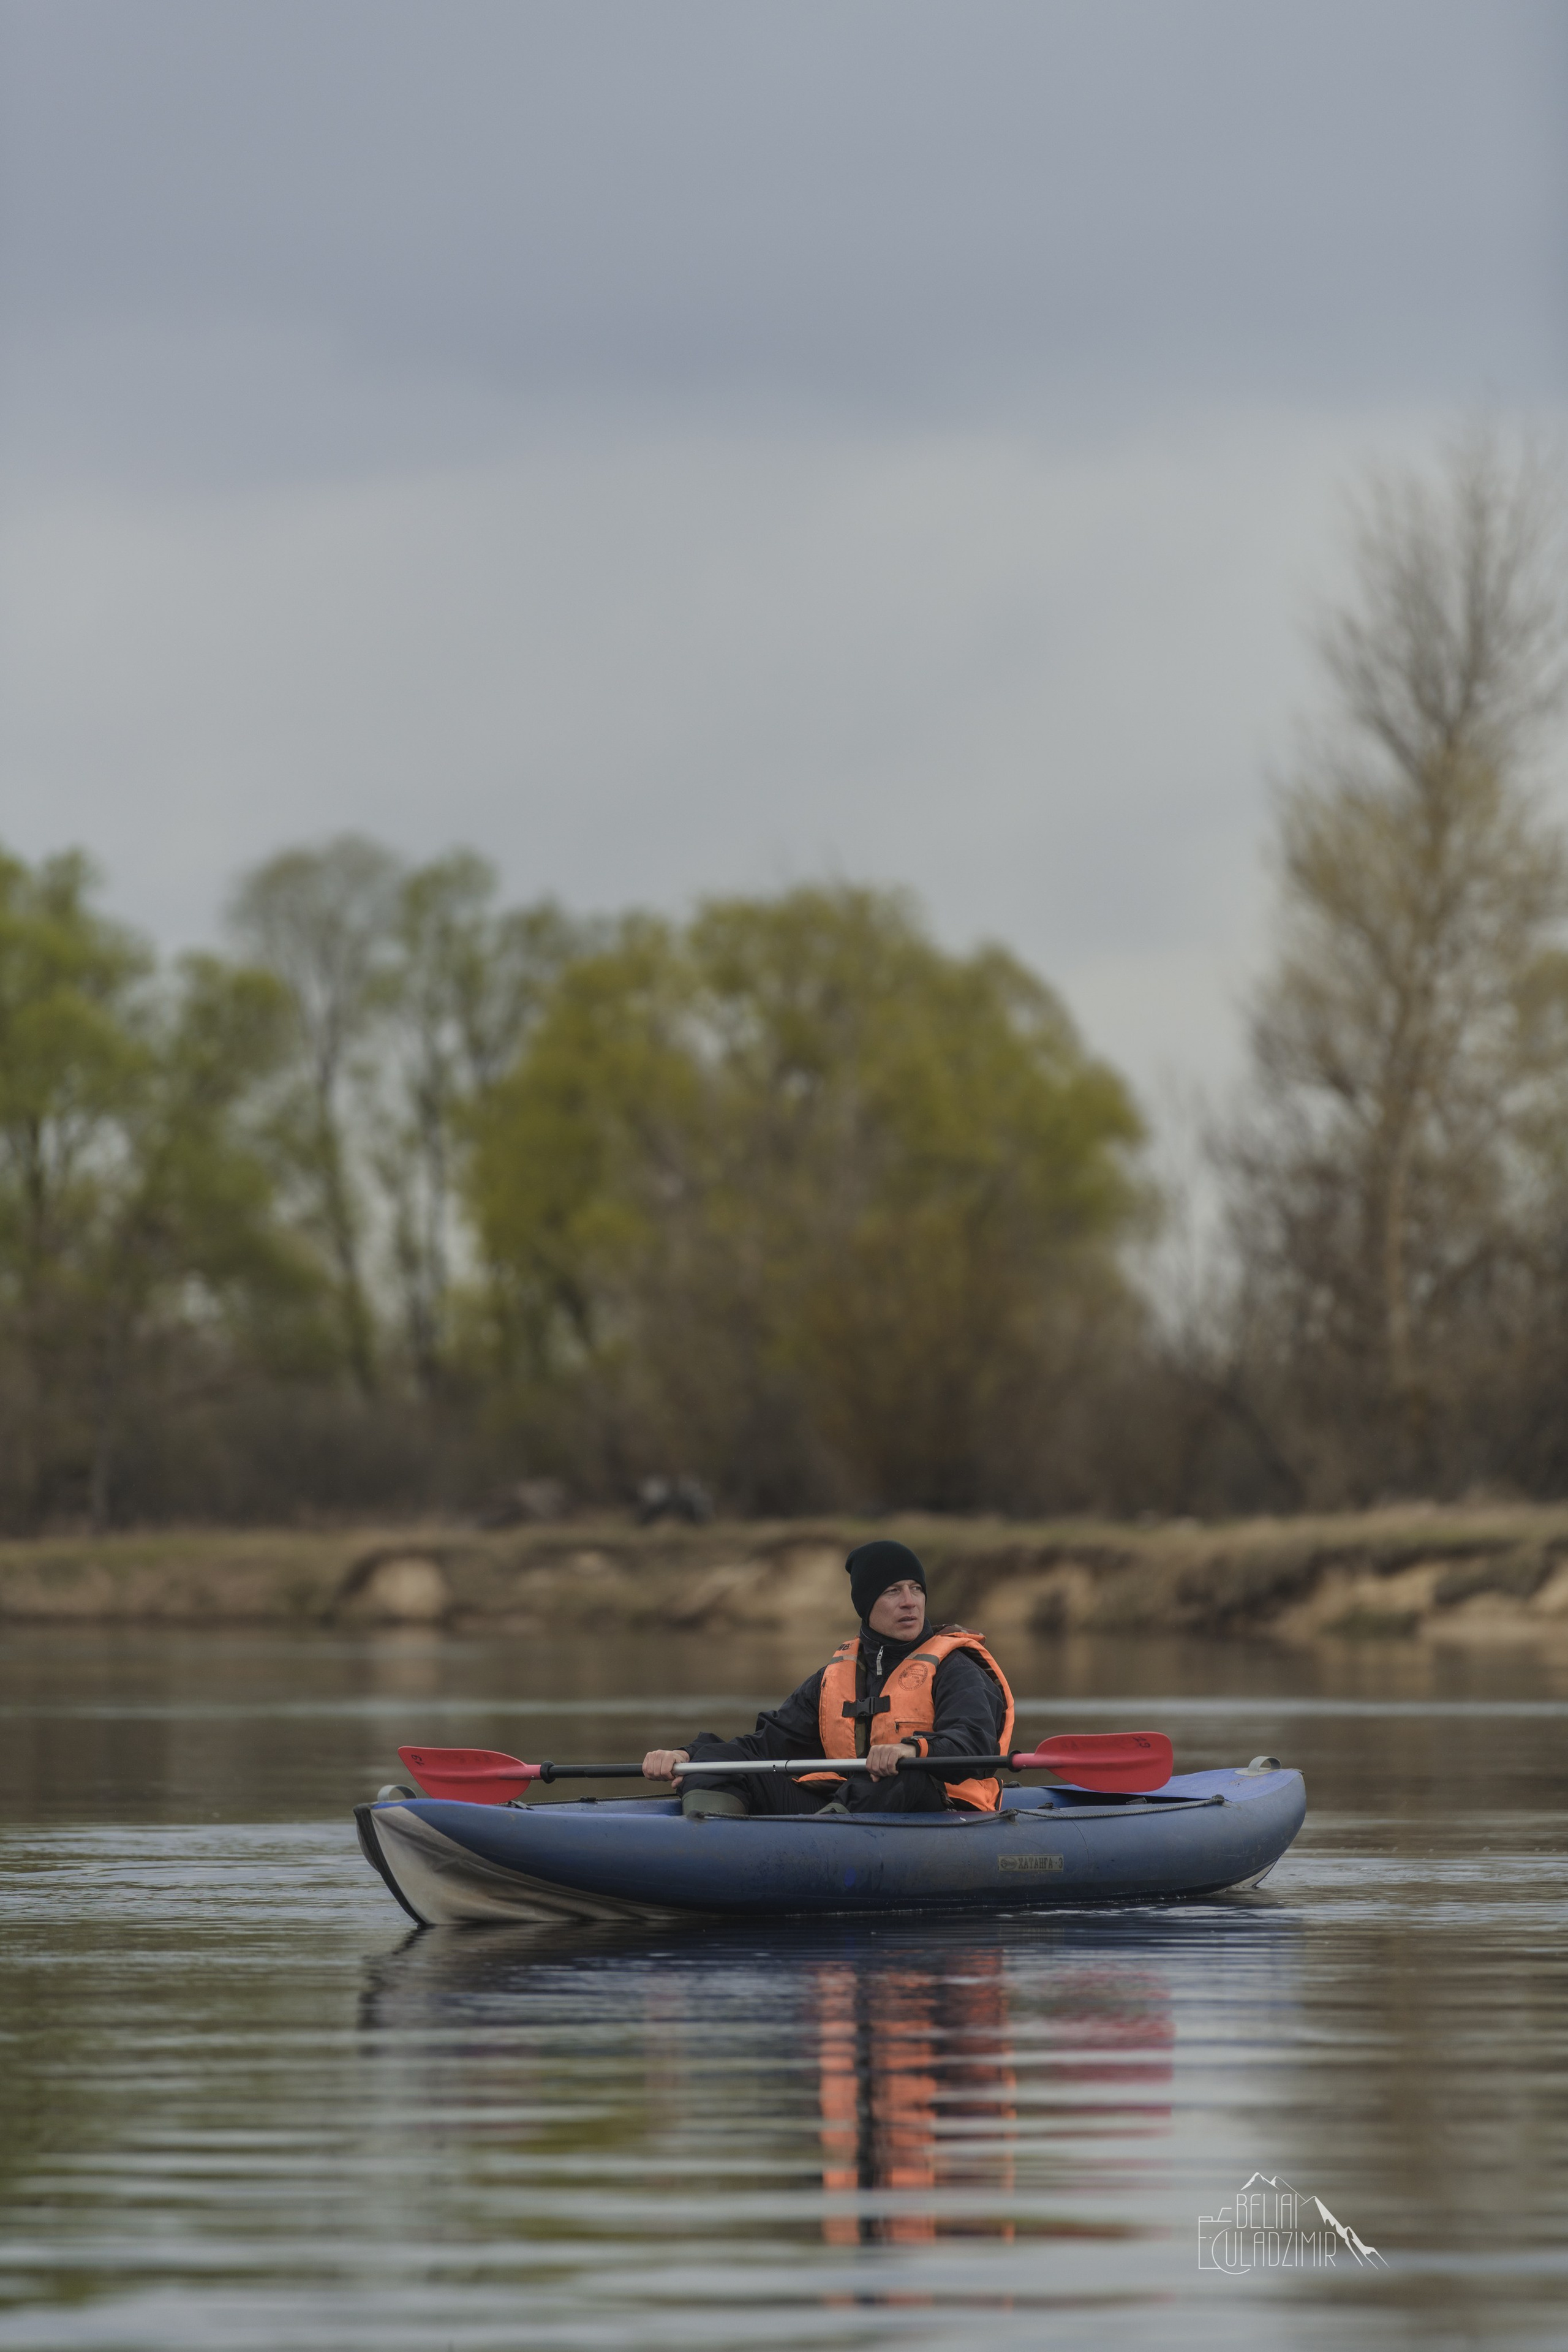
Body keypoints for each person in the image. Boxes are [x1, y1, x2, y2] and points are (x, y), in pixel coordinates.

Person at [641, 1539, 1015, 1817]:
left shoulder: (956, 1668)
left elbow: (975, 1745)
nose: (910, 1602)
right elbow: (766, 1745)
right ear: (867, 1605)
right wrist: (688, 1756)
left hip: (939, 1806)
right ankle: (708, 1845)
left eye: (916, 1589)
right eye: (893, 1591)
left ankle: (822, 1848)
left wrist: (912, 1749)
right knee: (718, 1760)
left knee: (905, 1772)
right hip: (851, 1799)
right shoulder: (834, 1678)